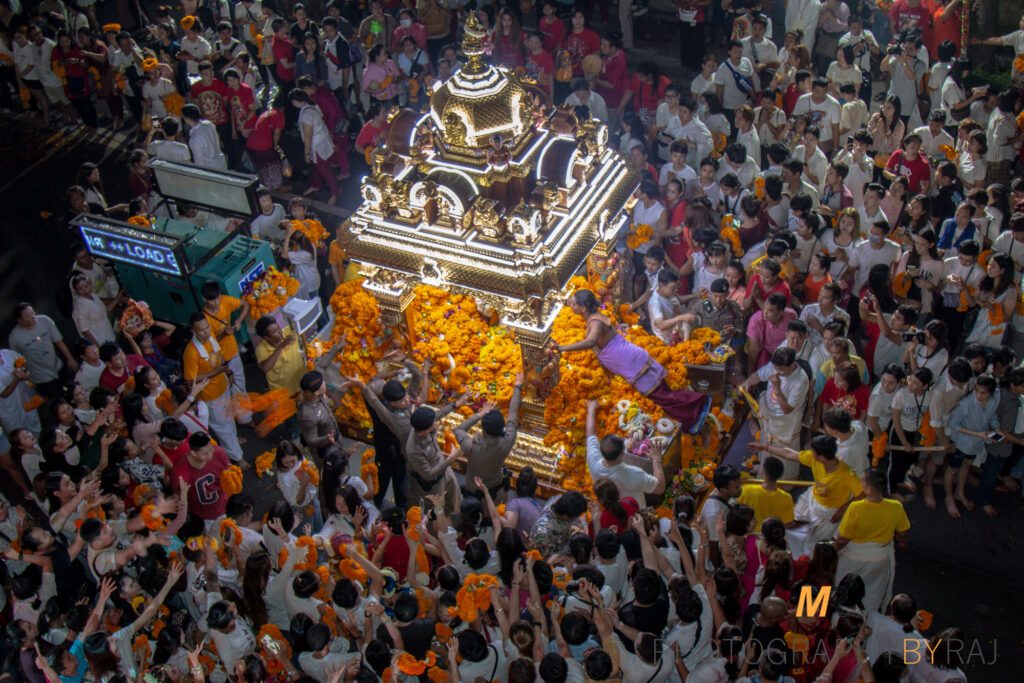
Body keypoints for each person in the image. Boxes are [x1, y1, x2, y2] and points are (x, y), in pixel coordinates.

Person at [555, 290, 712, 435]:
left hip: (633, 364)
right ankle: (694, 412)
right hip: (633, 360)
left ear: (583, 308)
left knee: (663, 397)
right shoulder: (595, 317)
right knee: (663, 395)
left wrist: (562, 348)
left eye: (574, 304)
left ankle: (698, 405)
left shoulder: (595, 322)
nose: (571, 305)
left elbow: (591, 342)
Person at [754, 435, 864, 558]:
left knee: (813, 542)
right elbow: (790, 454)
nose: (810, 453)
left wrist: (842, 509)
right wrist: (765, 447)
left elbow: (862, 494)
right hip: (811, 501)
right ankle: (791, 553)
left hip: (828, 514)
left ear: (821, 457)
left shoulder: (846, 474)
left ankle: (804, 561)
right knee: (792, 526)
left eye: (813, 451)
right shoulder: (814, 459)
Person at [835, 468, 910, 613]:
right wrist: (901, 542)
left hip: (852, 558)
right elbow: (902, 533)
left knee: (838, 586)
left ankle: (835, 617)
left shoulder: (856, 508)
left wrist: (831, 552)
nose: (860, 483)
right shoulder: (896, 507)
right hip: (879, 560)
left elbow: (842, 540)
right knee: (872, 593)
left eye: (862, 481)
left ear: (869, 488)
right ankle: (865, 620)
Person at [182, 311, 244, 466]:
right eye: (202, 330)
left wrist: (228, 373)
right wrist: (214, 373)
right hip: (210, 396)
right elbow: (191, 380)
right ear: (193, 332)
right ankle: (237, 458)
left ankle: (233, 443)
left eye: (207, 328)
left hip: (223, 387)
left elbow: (220, 357)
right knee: (222, 426)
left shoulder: (211, 338)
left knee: (229, 419)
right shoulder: (191, 353)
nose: (206, 332)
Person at [742, 346, 809, 480]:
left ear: (792, 365)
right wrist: (747, 383)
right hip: (769, 416)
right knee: (766, 444)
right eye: (776, 368)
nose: (777, 372)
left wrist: (777, 388)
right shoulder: (775, 365)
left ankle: (783, 481)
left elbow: (787, 409)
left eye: (781, 370)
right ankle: (763, 472)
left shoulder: (800, 381)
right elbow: (759, 375)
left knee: (782, 451)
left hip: (785, 422)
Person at [456, 373, 524, 501]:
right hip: (494, 486)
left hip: (472, 488)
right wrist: (518, 386)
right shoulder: (507, 442)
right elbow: (513, 416)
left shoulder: (471, 446)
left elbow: (459, 429)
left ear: (482, 427)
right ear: (501, 428)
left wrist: (481, 413)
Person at [9, 304, 77, 401]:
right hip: (40, 377)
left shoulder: (44, 320)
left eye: (32, 313)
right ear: (20, 320)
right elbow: (18, 360)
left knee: (72, 394)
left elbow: (58, 341)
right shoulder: (14, 337)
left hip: (57, 367)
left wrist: (70, 358)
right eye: (28, 316)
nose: (32, 317)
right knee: (57, 401)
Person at [181, 103, 227, 170]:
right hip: (221, 163)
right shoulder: (209, 124)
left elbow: (199, 163)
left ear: (186, 118)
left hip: (210, 170)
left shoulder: (195, 138)